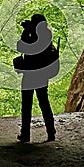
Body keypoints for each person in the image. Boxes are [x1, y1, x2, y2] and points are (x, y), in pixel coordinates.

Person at [16, 14, 57, 143]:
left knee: (26, 105)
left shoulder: (34, 36)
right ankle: (51, 133)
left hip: (30, 75)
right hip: (42, 75)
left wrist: (26, 31)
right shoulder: (47, 35)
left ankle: (25, 134)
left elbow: (21, 46)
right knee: (44, 103)